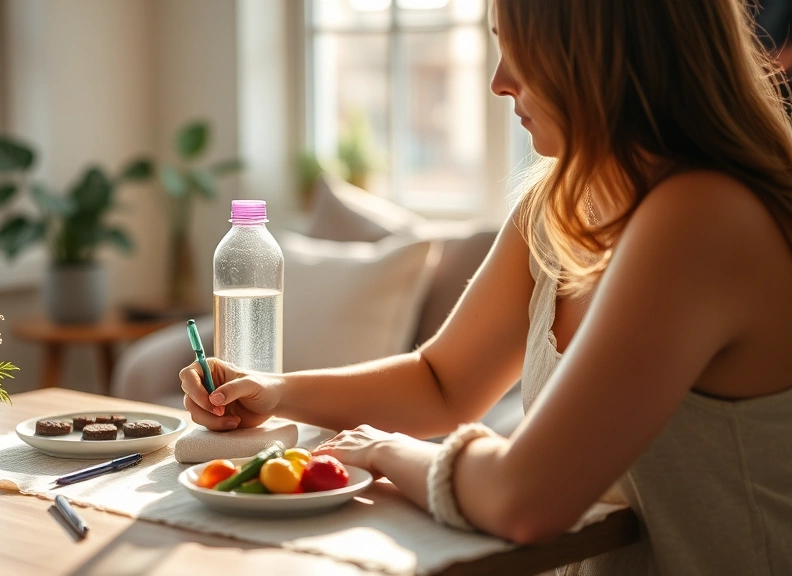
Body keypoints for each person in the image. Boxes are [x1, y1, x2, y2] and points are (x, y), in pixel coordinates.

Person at [179, 0, 792, 573]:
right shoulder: (557, 204)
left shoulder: (704, 218)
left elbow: (524, 498)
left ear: (601, 52)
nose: (499, 80)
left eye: (518, 47)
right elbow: (442, 383)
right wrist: (275, 391)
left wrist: (384, 451)